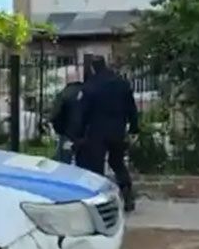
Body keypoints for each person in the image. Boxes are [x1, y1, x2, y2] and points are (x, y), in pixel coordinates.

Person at [74, 57, 139, 212]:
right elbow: (132, 108)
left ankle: (100, 201)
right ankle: (127, 196)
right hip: (118, 130)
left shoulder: (90, 87)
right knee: (117, 162)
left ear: (93, 68)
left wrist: (78, 134)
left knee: (96, 167)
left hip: (97, 132)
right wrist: (134, 128)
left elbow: (82, 113)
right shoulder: (122, 84)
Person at [48, 65, 84, 163]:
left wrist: (58, 128)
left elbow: (55, 115)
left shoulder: (63, 94)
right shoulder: (87, 91)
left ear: (67, 80)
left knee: (64, 161)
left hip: (67, 134)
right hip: (86, 135)